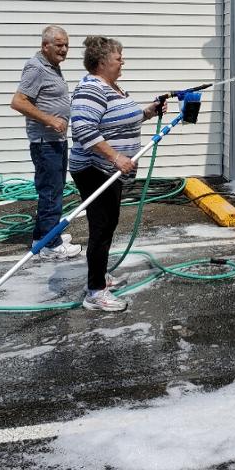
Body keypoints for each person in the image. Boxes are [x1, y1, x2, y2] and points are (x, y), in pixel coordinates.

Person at [69, 36, 166, 312]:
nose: (123, 61)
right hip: (94, 168)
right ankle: (95, 293)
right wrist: (116, 157)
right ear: (101, 62)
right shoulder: (91, 88)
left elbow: (121, 119)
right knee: (101, 228)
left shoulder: (111, 86)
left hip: (108, 170)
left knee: (108, 225)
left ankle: (99, 277)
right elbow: (83, 130)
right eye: (118, 58)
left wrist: (149, 111)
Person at [10, 25, 82, 260]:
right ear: (45, 46)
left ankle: (45, 235)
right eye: (59, 44)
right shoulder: (37, 68)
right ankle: (51, 245)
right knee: (51, 191)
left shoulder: (52, 67)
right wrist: (49, 119)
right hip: (45, 142)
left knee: (56, 189)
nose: (64, 49)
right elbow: (19, 102)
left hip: (56, 140)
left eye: (66, 45)